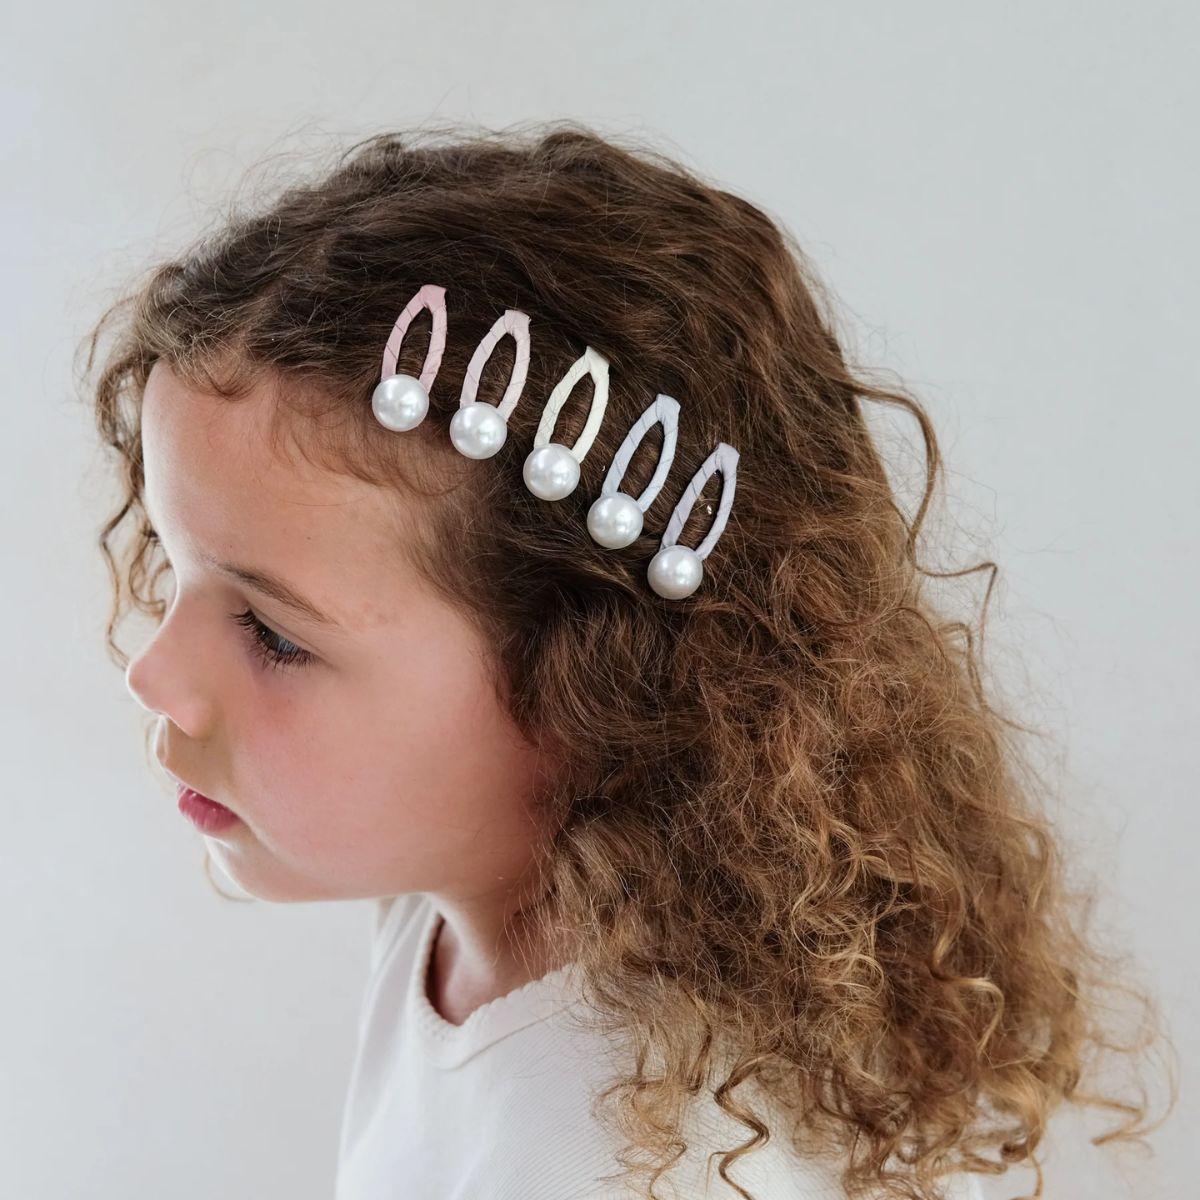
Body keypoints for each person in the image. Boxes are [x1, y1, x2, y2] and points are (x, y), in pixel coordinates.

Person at [87, 121, 1164, 1199]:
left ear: (595, 690)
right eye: (176, 570)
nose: (153, 673)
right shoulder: (451, 902)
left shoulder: (629, 1164)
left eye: (273, 633)